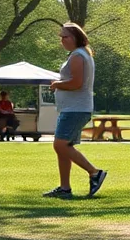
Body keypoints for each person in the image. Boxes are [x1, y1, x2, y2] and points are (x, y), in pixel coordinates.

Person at [45, 23, 106, 197]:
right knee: (64, 147)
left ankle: (95, 173)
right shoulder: (78, 54)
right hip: (72, 108)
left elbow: (76, 83)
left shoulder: (78, 56)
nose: (62, 40)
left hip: (76, 109)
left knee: (60, 145)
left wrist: (57, 84)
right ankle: (65, 188)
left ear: (75, 38)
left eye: (65, 36)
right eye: (61, 37)